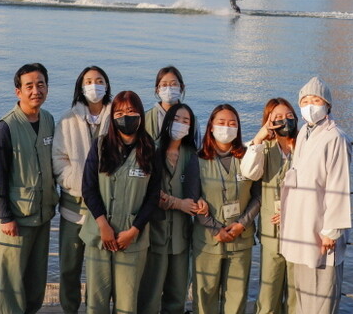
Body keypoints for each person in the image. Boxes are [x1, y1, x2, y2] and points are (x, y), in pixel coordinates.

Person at [80, 90, 161, 314]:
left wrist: (134, 231)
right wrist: (103, 224)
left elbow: (153, 196)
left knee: (127, 303)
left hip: (132, 238)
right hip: (99, 235)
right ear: (112, 117)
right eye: (120, 112)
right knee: (96, 301)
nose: (126, 116)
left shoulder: (150, 150)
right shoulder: (100, 146)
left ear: (141, 115)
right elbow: (88, 188)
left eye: (132, 111)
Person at [279, 77, 352, 314]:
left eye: (316, 100)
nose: (310, 105)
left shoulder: (336, 138)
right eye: (305, 100)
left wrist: (332, 229)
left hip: (323, 227)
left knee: (322, 293)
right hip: (302, 223)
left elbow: (338, 184)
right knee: (302, 290)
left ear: (327, 105)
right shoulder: (304, 135)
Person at [0, 62, 58, 314]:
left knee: (35, 280)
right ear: (18, 91)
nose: (35, 90)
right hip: (15, 219)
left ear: (47, 88)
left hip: (42, 215)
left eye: (40, 84)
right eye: (29, 86)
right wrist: (5, 216)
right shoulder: (6, 126)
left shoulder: (49, 120)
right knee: (11, 283)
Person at [52, 65, 113, 314]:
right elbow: (58, 158)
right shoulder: (67, 119)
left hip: (105, 208)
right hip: (73, 207)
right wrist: (78, 183)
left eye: (99, 80)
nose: (94, 85)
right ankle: (70, 308)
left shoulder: (117, 118)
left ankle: (96, 309)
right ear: (80, 86)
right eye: (88, 81)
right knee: (69, 266)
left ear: (107, 85)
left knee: (99, 269)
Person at [194, 104, 260, 314]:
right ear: (211, 127)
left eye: (232, 123)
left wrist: (242, 224)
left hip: (241, 236)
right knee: (205, 295)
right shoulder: (197, 159)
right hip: (207, 239)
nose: (227, 127)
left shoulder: (248, 157)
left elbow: (258, 195)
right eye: (221, 123)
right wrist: (215, 229)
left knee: (237, 295)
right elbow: (193, 198)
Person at [138, 104, 202, 314]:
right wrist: (177, 203)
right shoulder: (151, 150)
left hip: (181, 236)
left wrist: (200, 201)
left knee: (177, 293)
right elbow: (146, 189)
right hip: (155, 233)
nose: (181, 124)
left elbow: (199, 188)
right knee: (150, 293)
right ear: (167, 122)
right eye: (177, 119)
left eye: (186, 121)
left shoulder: (192, 155)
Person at [241, 98, 299, 314]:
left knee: (295, 292)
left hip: (299, 229)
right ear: (268, 121)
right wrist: (259, 137)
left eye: (289, 116)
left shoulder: (304, 146)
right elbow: (249, 172)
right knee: (269, 290)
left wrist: (293, 209)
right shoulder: (262, 148)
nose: (285, 121)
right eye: (278, 118)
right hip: (271, 230)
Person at [145, 66, 187, 139]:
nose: (169, 89)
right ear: (157, 89)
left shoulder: (189, 118)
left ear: (181, 87)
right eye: (164, 85)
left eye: (174, 84)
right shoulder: (147, 117)